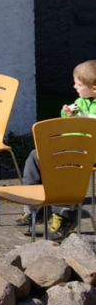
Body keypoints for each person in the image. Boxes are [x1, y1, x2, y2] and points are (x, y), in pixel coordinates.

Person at [13, 59, 96, 239]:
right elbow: (69, 120)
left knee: (62, 167)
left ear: (94, 88)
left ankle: (65, 217)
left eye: (78, 84)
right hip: (68, 145)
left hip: (87, 151)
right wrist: (67, 114)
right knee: (35, 156)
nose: (74, 86)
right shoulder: (81, 101)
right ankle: (37, 207)